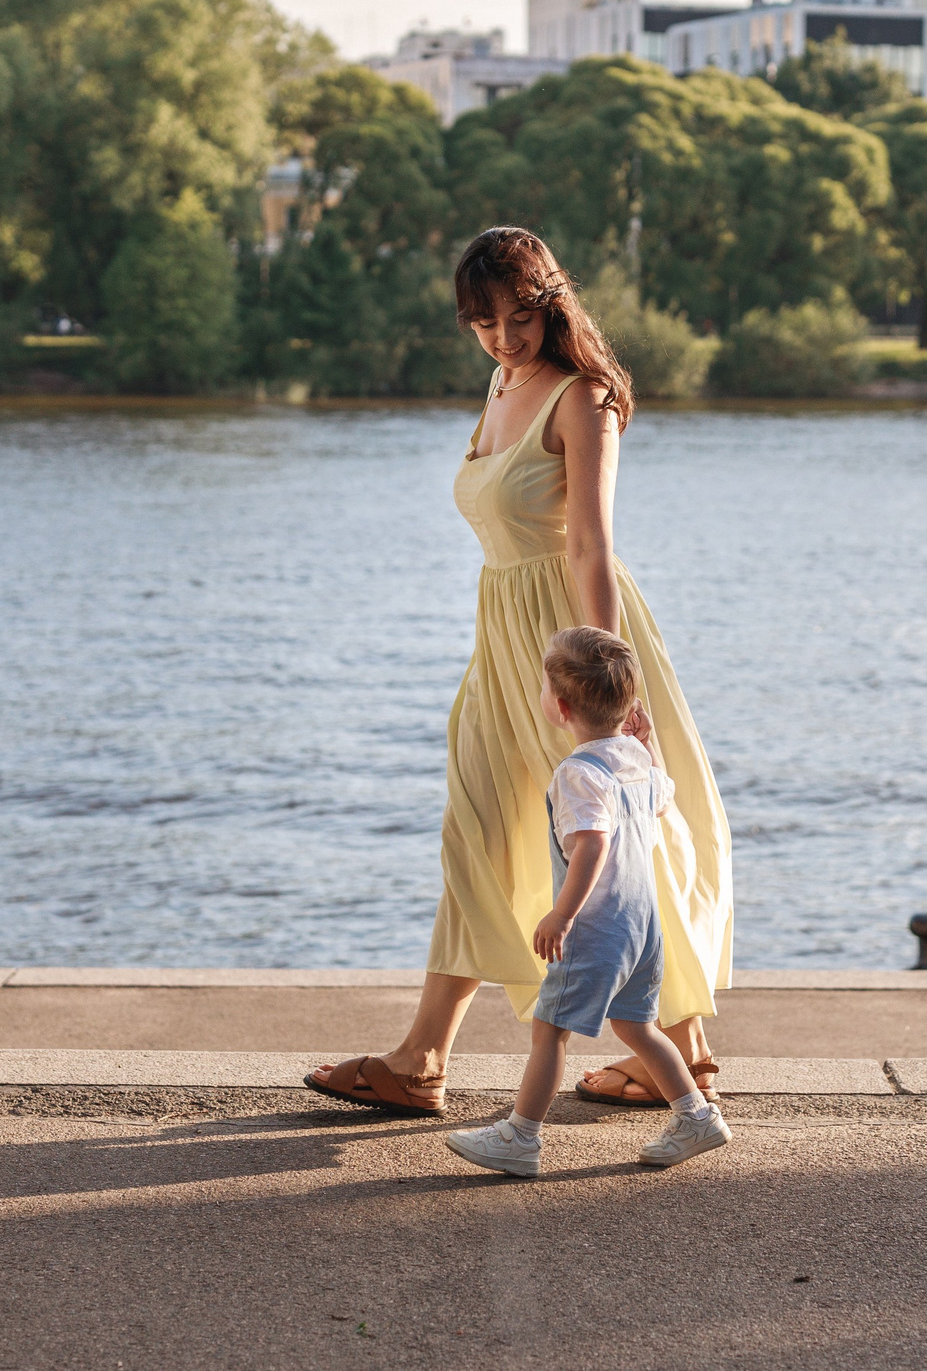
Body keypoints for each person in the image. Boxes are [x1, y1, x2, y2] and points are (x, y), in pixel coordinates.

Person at [308, 227, 732, 1116]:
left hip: (571, 643)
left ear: (550, 303)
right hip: (501, 639)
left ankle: (680, 1050)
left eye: (520, 317)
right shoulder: (502, 383)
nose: (505, 337)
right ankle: (423, 1057)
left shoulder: (584, 398)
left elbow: (589, 543)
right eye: (485, 321)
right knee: (481, 828)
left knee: (621, 833)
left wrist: (604, 683)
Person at [445, 628, 731, 1177]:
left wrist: (562, 913)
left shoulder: (577, 772)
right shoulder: (638, 766)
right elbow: (662, 801)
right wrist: (646, 746)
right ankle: (696, 1115)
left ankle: (520, 1136)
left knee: (550, 1028)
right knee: (637, 1025)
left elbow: (593, 842)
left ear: (560, 706)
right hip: (643, 925)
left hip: (598, 925)